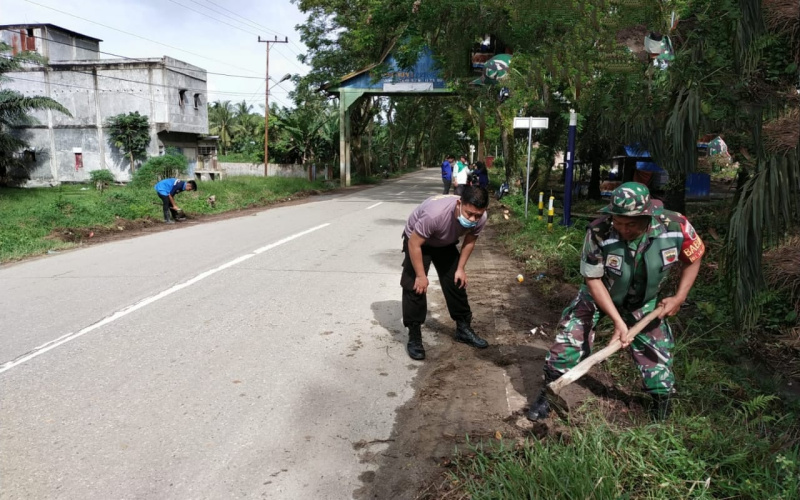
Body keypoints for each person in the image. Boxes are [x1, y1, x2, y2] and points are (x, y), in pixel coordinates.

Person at [528, 182, 705, 421]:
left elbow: (693, 257)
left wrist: (679, 297)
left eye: (630, 224)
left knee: (657, 355)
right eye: (618, 222)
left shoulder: (676, 226)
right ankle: (549, 392)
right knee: (569, 339)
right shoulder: (598, 231)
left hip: (645, 301)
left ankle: (661, 403)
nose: (623, 229)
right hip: (600, 293)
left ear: (647, 216)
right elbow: (593, 279)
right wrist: (619, 323)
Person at [401, 185, 491, 360]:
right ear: (459, 204)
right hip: (418, 241)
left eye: (477, 215)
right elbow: (414, 244)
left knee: (456, 281)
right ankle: (414, 334)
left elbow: (470, 242)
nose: (473, 219)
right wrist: (421, 276)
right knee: (415, 285)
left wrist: (460, 269)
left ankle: (463, 328)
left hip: (444, 242)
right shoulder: (435, 214)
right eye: (469, 214)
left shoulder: (481, 217)